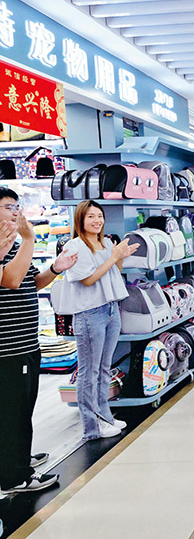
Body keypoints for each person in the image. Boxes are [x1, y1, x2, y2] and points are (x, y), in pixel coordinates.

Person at [0, 187, 77, 494]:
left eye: (17, 206)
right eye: (9, 207)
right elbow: (11, 280)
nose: (16, 212)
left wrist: (56, 268)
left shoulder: (13, 246)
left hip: (27, 344)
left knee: (22, 408)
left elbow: (32, 282)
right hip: (9, 348)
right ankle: (15, 476)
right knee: (13, 412)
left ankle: (17, 459)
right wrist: (29, 239)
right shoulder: (13, 244)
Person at [59, 201, 138, 441]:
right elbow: (88, 280)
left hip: (111, 309)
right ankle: (92, 427)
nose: (97, 220)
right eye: (91, 216)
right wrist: (113, 257)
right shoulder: (74, 246)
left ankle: (105, 416)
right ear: (80, 219)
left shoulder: (106, 243)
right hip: (89, 313)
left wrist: (120, 257)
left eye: (100, 216)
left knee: (104, 368)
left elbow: (114, 272)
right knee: (89, 372)